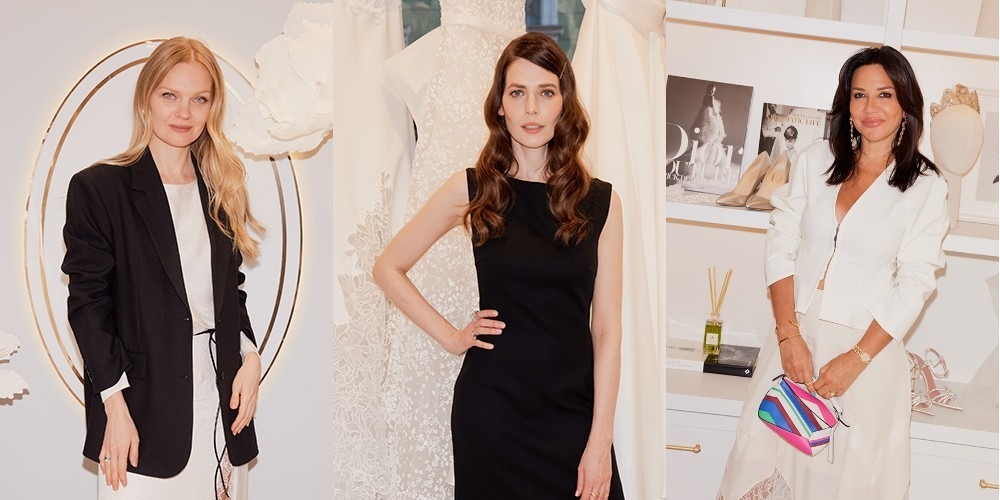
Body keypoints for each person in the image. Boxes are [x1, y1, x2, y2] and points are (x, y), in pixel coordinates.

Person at [373, 32, 625, 500]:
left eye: (545, 93)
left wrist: (600, 441)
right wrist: (451, 337)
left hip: (573, 414)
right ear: (500, 106)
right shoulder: (473, 189)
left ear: (564, 103)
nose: (531, 108)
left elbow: (607, 330)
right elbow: (387, 267)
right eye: (517, 93)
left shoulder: (601, 202)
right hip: (493, 415)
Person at [718, 46, 948, 500]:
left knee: (841, 483)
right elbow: (781, 241)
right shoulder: (814, 160)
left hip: (865, 356)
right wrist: (788, 335)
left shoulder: (926, 186)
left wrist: (855, 360)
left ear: (906, 103)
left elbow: (916, 282)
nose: (870, 107)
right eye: (859, 95)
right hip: (794, 342)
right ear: (847, 104)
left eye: (884, 94)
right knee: (759, 469)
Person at [62, 37, 263, 499]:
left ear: (213, 107)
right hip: (139, 413)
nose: (183, 112)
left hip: (222, 409)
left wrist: (251, 358)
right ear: (146, 97)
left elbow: (230, 294)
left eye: (199, 99)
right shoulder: (100, 189)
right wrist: (113, 405)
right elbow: (88, 306)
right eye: (170, 95)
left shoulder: (221, 189)